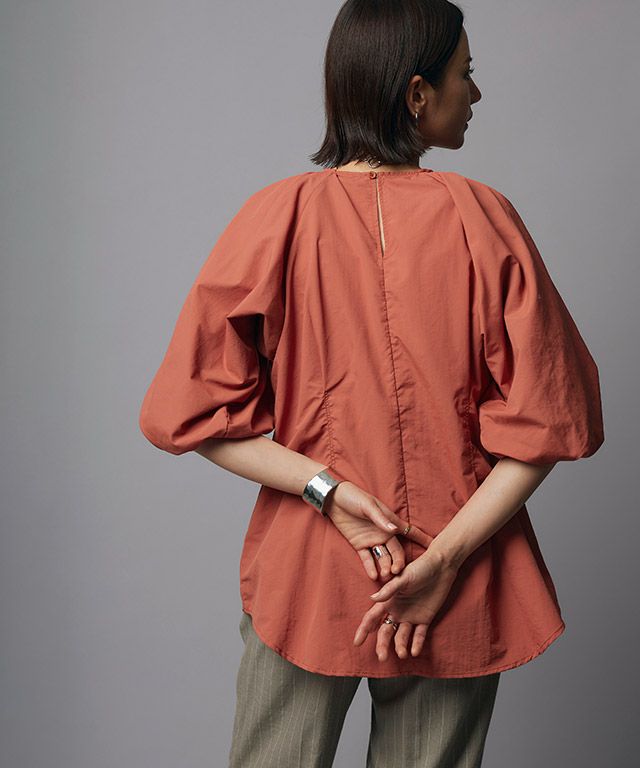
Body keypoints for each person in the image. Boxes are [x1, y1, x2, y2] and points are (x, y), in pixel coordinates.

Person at [138, 0, 605, 765]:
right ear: (418, 93)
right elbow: (551, 424)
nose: (475, 93)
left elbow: (188, 414)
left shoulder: (275, 217)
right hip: (457, 568)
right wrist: (444, 561)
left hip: (310, 573)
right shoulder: (484, 218)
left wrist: (326, 491)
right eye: (465, 74)